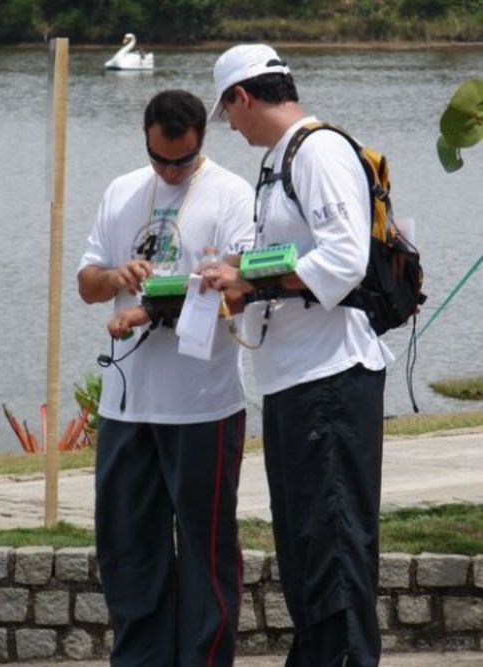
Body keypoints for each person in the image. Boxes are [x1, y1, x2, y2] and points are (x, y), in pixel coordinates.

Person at [205, 44, 394, 667]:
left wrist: (249, 282)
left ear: (243, 97)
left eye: (228, 113)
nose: (230, 127)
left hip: (331, 379)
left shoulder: (318, 151)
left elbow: (344, 260)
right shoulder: (278, 162)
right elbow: (286, 258)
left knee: (333, 549)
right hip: (294, 377)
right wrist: (235, 271)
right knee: (306, 549)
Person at [77, 89, 255, 667]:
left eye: (181, 160)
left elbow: (237, 292)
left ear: (201, 140)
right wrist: (116, 278)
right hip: (129, 406)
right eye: (160, 159)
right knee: (128, 551)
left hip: (202, 405)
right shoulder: (124, 189)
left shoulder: (230, 193)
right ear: (147, 139)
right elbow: (87, 283)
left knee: (206, 554)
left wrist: (149, 308)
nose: (170, 170)